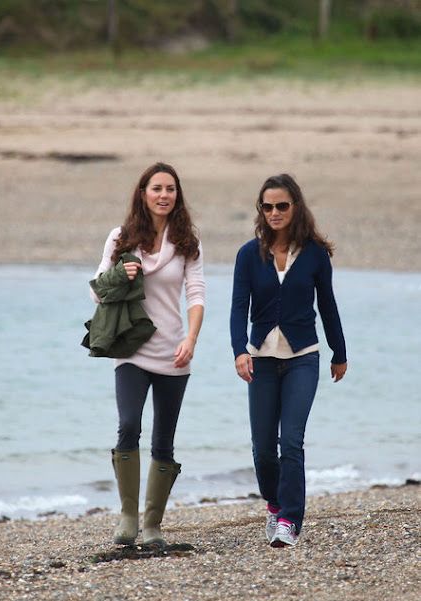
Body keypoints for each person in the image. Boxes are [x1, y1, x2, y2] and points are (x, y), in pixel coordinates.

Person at [90, 162, 205, 547]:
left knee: (164, 440)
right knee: (128, 425)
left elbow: (196, 294)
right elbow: (95, 291)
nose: (163, 195)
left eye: (170, 189)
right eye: (156, 188)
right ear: (143, 193)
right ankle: (127, 517)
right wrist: (119, 276)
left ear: (177, 195)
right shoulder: (121, 238)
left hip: (175, 351)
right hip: (132, 350)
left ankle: (153, 524)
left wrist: (190, 339)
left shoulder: (188, 241)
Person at [230, 173, 347, 548]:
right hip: (261, 359)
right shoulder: (249, 254)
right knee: (263, 449)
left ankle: (290, 522)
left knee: (291, 442)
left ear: (295, 207)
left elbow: (327, 305)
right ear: (260, 211)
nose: (275, 212)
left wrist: (339, 352)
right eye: (268, 207)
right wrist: (239, 350)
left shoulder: (314, 254)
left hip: (303, 357)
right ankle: (276, 503)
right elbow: (238, 309)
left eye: (282, 205)